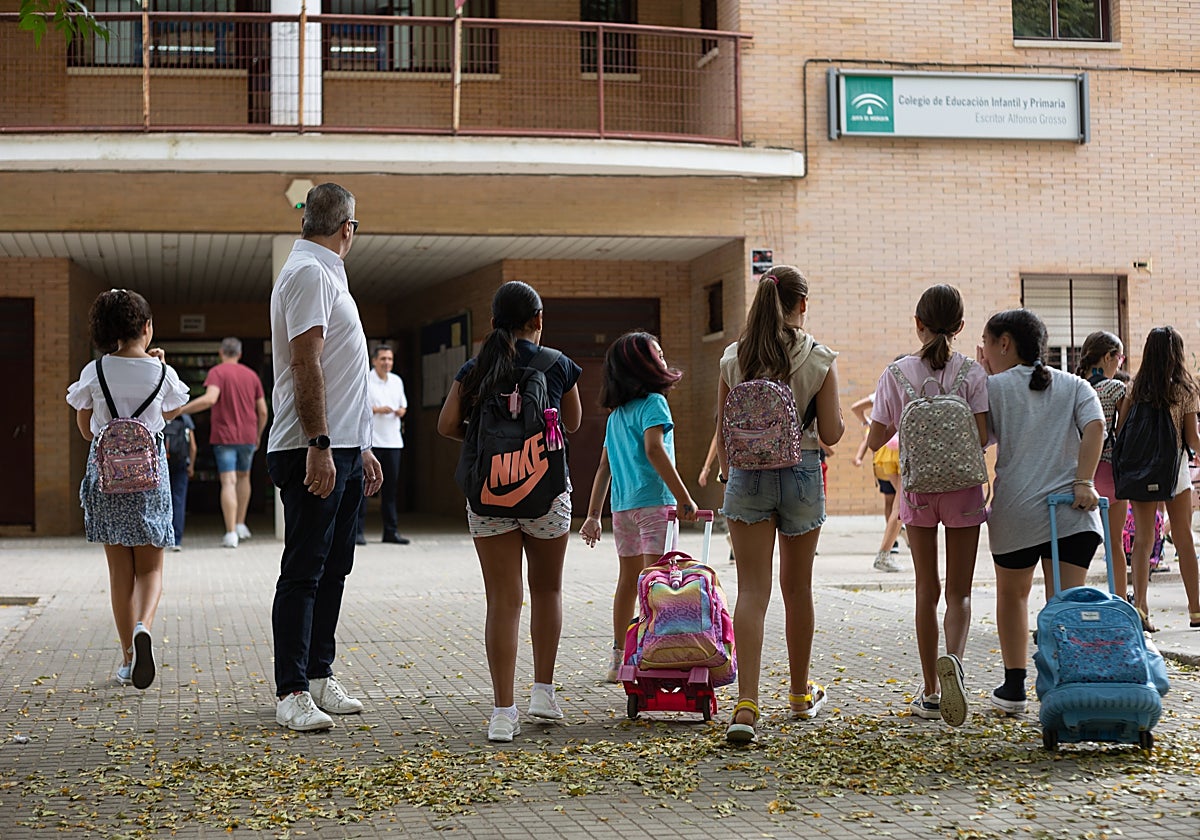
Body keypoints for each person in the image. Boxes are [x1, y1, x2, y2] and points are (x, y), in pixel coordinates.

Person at [437, 281, 582, 742]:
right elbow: (573, 423)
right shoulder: (557, 363)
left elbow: (446, 424)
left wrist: (488, 445)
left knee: (502, 600)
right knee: (547, 590)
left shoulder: (475, 368)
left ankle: (503, 712)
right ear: (537, 320)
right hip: (546, 494)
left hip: (489, 496)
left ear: (493, 322)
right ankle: (543, 693)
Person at [267, 182, 384, 732]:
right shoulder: (310, 273)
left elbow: (340, 370)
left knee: (334, 568)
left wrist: (361, 445)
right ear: (347, 229)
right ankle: (290, 690)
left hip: (343, 448)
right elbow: (305, 362)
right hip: (310, 447)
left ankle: (317, 674)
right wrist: (319, 443)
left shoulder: (326, 273)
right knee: (304, 571)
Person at [716, 265, 844, 743]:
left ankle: (746, 704)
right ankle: (798, 693)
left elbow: (722, 428)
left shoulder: (735, 357)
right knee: (798, 588)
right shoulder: (818, 358)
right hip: (802, 473)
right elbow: (831, 433)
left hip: (747, 476)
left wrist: (729, 474)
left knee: (752, 590)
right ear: (801, 305)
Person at [867, 284, 988, 726]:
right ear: (960, 326)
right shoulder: (973, 373)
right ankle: (954, 663)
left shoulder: (896, 373)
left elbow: (876, 439)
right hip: (965, 491)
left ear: (917, 324)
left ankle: (932, 691)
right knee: (960, 592)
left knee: (926, 588)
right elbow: (982, 436)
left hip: (917, 491)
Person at [978, 308, 1104, 715]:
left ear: (1004, 343)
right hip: (1072, 512)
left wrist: (981, 379)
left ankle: (1014, 689)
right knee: (1064, 601)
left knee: (1013, 596)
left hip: (1016, 512)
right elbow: (1097, 427)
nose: (984, 352)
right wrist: (1083, 480)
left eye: (986, 344)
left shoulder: (992, 387)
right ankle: (1067, 684)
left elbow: (980, 438)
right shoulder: (1075, 385)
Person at [66, 289, 190, 690]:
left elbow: (87, 431)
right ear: (146, 327)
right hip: (150, 480)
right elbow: (171, 412)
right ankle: (144, 627)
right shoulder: (162, 374)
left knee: (120, 571)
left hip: (107, 480)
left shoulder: (95, 371)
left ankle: (127, 659)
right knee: (151, 568)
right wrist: (160, 369)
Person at [579, 332, 698, 682]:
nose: (664, 359)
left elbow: (604, 467)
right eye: (658, 354)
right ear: (643, 365)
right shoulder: (654, 404)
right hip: (655, 505)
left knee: (628, 582)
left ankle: (618, 659)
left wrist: (592, 515)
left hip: (622, 509)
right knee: (656, 583)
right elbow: (654, 449)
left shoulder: (616, 415)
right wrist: (683, 496)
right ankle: (650, 656)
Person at [1117, 326, 1200, 632]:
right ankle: (1195, 610)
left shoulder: (1135, 389)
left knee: (1142, 539)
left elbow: (1123, 431)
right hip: (1173, 470)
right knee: (1183, 537)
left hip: (1141, 470)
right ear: (1177, 353)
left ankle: (1141, 607)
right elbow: (1192, 439)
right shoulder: (1185, 391)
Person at [180, 337, 268, 548]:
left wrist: (181, 410)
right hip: (248, 435)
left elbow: (210, 399)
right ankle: (240, 524)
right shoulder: (252, 376)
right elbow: (263, 411)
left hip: (225, 436)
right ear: (239, 354)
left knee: (228, 481)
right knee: (244, 477)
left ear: (221, 353)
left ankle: (231, 534)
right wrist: (258, 434)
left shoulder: (217, 373)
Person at [1074, 330, 1130, 600]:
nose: (1120, 364)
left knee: (1079, 546)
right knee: (1115, 543)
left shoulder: (1074, 387)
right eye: (1120, 358)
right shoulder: (1117, 388)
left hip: (1080, 475)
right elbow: (1124, 432)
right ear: (1108, 357)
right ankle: (1120, 600)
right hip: (1110, 472)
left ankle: (1075, 600)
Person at [356, 344, 410, 545]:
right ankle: (357, 532)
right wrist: (377, 410)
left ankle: (390, 531)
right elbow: (359, 407)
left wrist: (400, 411)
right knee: (363, 488)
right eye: (383, 359)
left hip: (393, 442)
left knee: (390, 490)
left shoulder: (397, 381)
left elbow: (403, 405)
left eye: (390, 359)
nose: (387, 362)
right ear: (374, 361)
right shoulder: (366, 380)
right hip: (371, 443)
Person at [162, 413, 196, 552]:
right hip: (180, 463)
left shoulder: (159, 415)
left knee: (162, 500)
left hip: (161, 464)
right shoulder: (184, 418)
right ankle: (176, 540)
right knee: (179, 500)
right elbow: (193, 446)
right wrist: (191, 465)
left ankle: (161, 537)